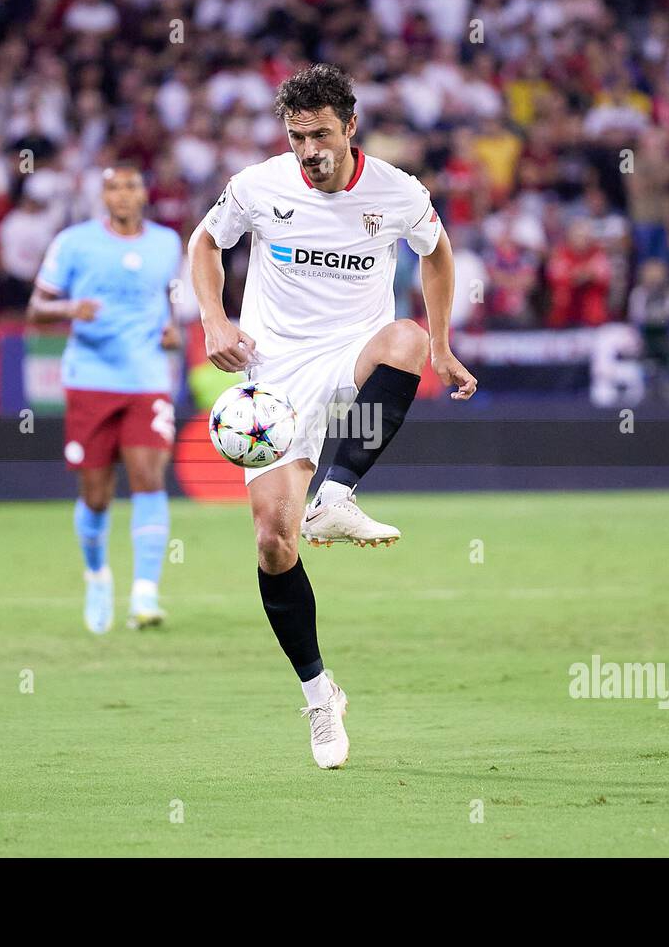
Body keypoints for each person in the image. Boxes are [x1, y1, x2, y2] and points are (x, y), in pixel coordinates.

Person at [188, 64, 476, 769]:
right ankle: (320, 695)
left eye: (320, 135)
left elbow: (436, 255)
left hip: (350, 354)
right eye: (296, 137)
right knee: (272, 545)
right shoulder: (258, 186)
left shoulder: (398, 192)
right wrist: (214, 321)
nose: (308, 151)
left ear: (350, 126)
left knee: (404, 339)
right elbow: (204, 244)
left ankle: (339, 497)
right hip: (273, 378)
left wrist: (439, 346)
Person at [28, 163, 181, 634]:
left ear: (143, 193)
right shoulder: (74, 242)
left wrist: (172, 328)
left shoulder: (167, 244)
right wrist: (70, 308)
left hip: (147, 378)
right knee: (96, 496)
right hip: (91, 378)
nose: (122, 195)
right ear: (103, 195)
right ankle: (97, 574)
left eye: (131, 186)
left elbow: (169, 299)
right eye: (113, 187)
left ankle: (145, 595)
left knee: (148, 478)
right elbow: (36, 309)